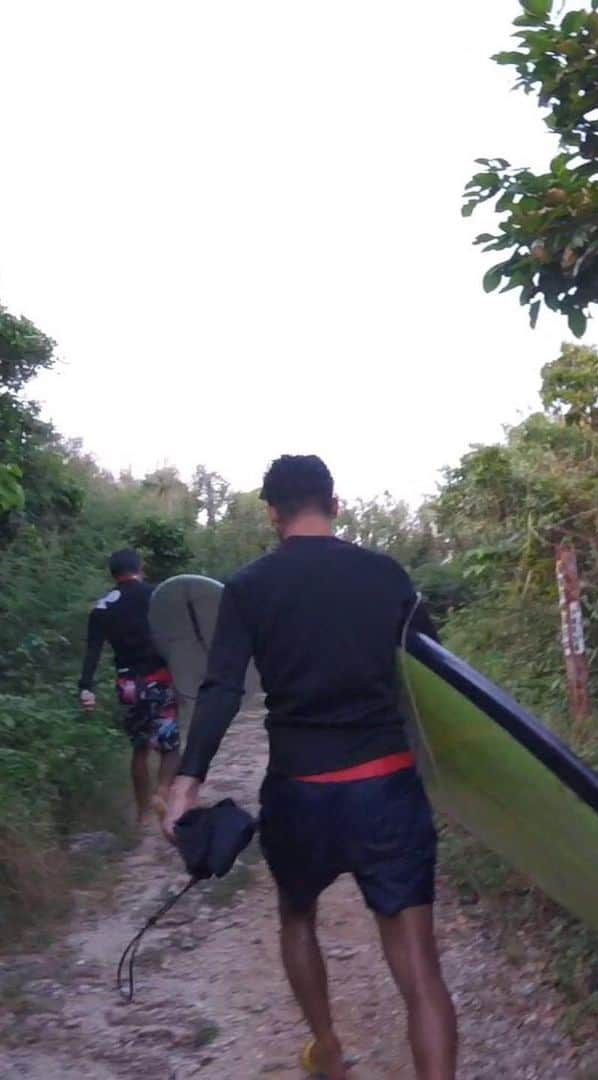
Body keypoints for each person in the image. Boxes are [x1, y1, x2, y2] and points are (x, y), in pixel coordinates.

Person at [163, 454, 457, 1080]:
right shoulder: (386, 575)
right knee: (419, 965)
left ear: (272, 513)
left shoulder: (249, 586)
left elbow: (220, 688)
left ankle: (326, 1048)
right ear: (335, 504)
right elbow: (437, 678)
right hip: (387, 786)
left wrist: (185, 784)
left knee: (297, 915)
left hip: (301, 791)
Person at [79, 548, 180, 827]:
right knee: (170, 746)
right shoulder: (157, 594)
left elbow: (93, 650)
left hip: (127, 685)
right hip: (159, 679)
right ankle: (161, 793)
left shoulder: (102, 607)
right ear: (140, 568)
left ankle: (142, 815)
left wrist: (85, 688)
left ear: (112, 573)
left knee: (139, 747)